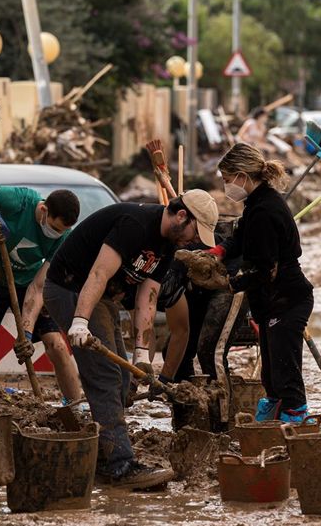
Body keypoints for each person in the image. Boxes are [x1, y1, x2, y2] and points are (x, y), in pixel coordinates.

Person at [40, 190, 218, 489]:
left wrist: (141, 355)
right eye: (194, 232)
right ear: (181, 216)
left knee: (124, 379)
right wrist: (80, 322)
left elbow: (147, 297)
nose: (194, 240)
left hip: (103, 298)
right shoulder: (134, 224)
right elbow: (98, 273)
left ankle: (100, 453)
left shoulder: (168, 245)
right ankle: (120, 466)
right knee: (105, 374)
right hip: (71, 288)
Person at [210, 143, 315, 422]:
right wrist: (218, 253)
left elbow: (265, 271)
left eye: (226, 179)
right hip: (272, 302)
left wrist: (228, 284)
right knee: (270, 374)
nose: (225, 185)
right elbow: (239, 238)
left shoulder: (266, 211)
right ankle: (272, 417)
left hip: (286, 299)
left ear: (242, 176)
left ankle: (295, 421)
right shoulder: (256, 204)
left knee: (285, 372)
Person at [0, 178, 85, 415]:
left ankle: (75, 407)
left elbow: (39, 287)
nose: (56, 234)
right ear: (43, 210)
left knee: (57, 344)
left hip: (26, 283)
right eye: (55, 228)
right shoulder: (20, 201)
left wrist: (26, 333)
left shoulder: (64, 237)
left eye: (62, 231)